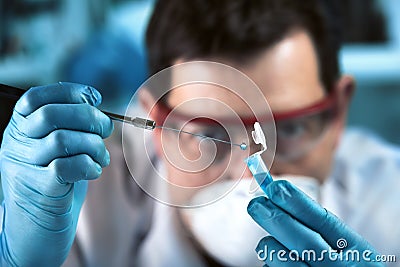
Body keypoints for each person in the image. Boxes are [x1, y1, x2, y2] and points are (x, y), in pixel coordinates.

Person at [1, 0, 399, 266]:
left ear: (337, 112)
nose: (250, 175)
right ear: (153, 122)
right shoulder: (81, 208)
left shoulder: (389, 204)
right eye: (210, 135)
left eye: (290, 127)